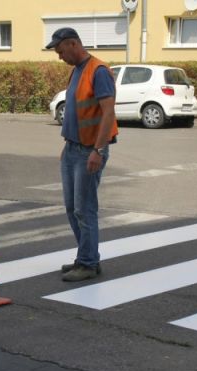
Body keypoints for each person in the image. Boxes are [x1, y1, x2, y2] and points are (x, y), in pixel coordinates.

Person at [46, 27, 118, 282]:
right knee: (71, 208)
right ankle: (86, 257)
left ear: (73, 44)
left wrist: (98, 150)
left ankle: (88, 263)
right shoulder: (77, 71)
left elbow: (108, 113)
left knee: (84, 209)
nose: (59, 56)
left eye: (60, 50)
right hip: (72, 148)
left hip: (90, 150)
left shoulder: (98, 71)